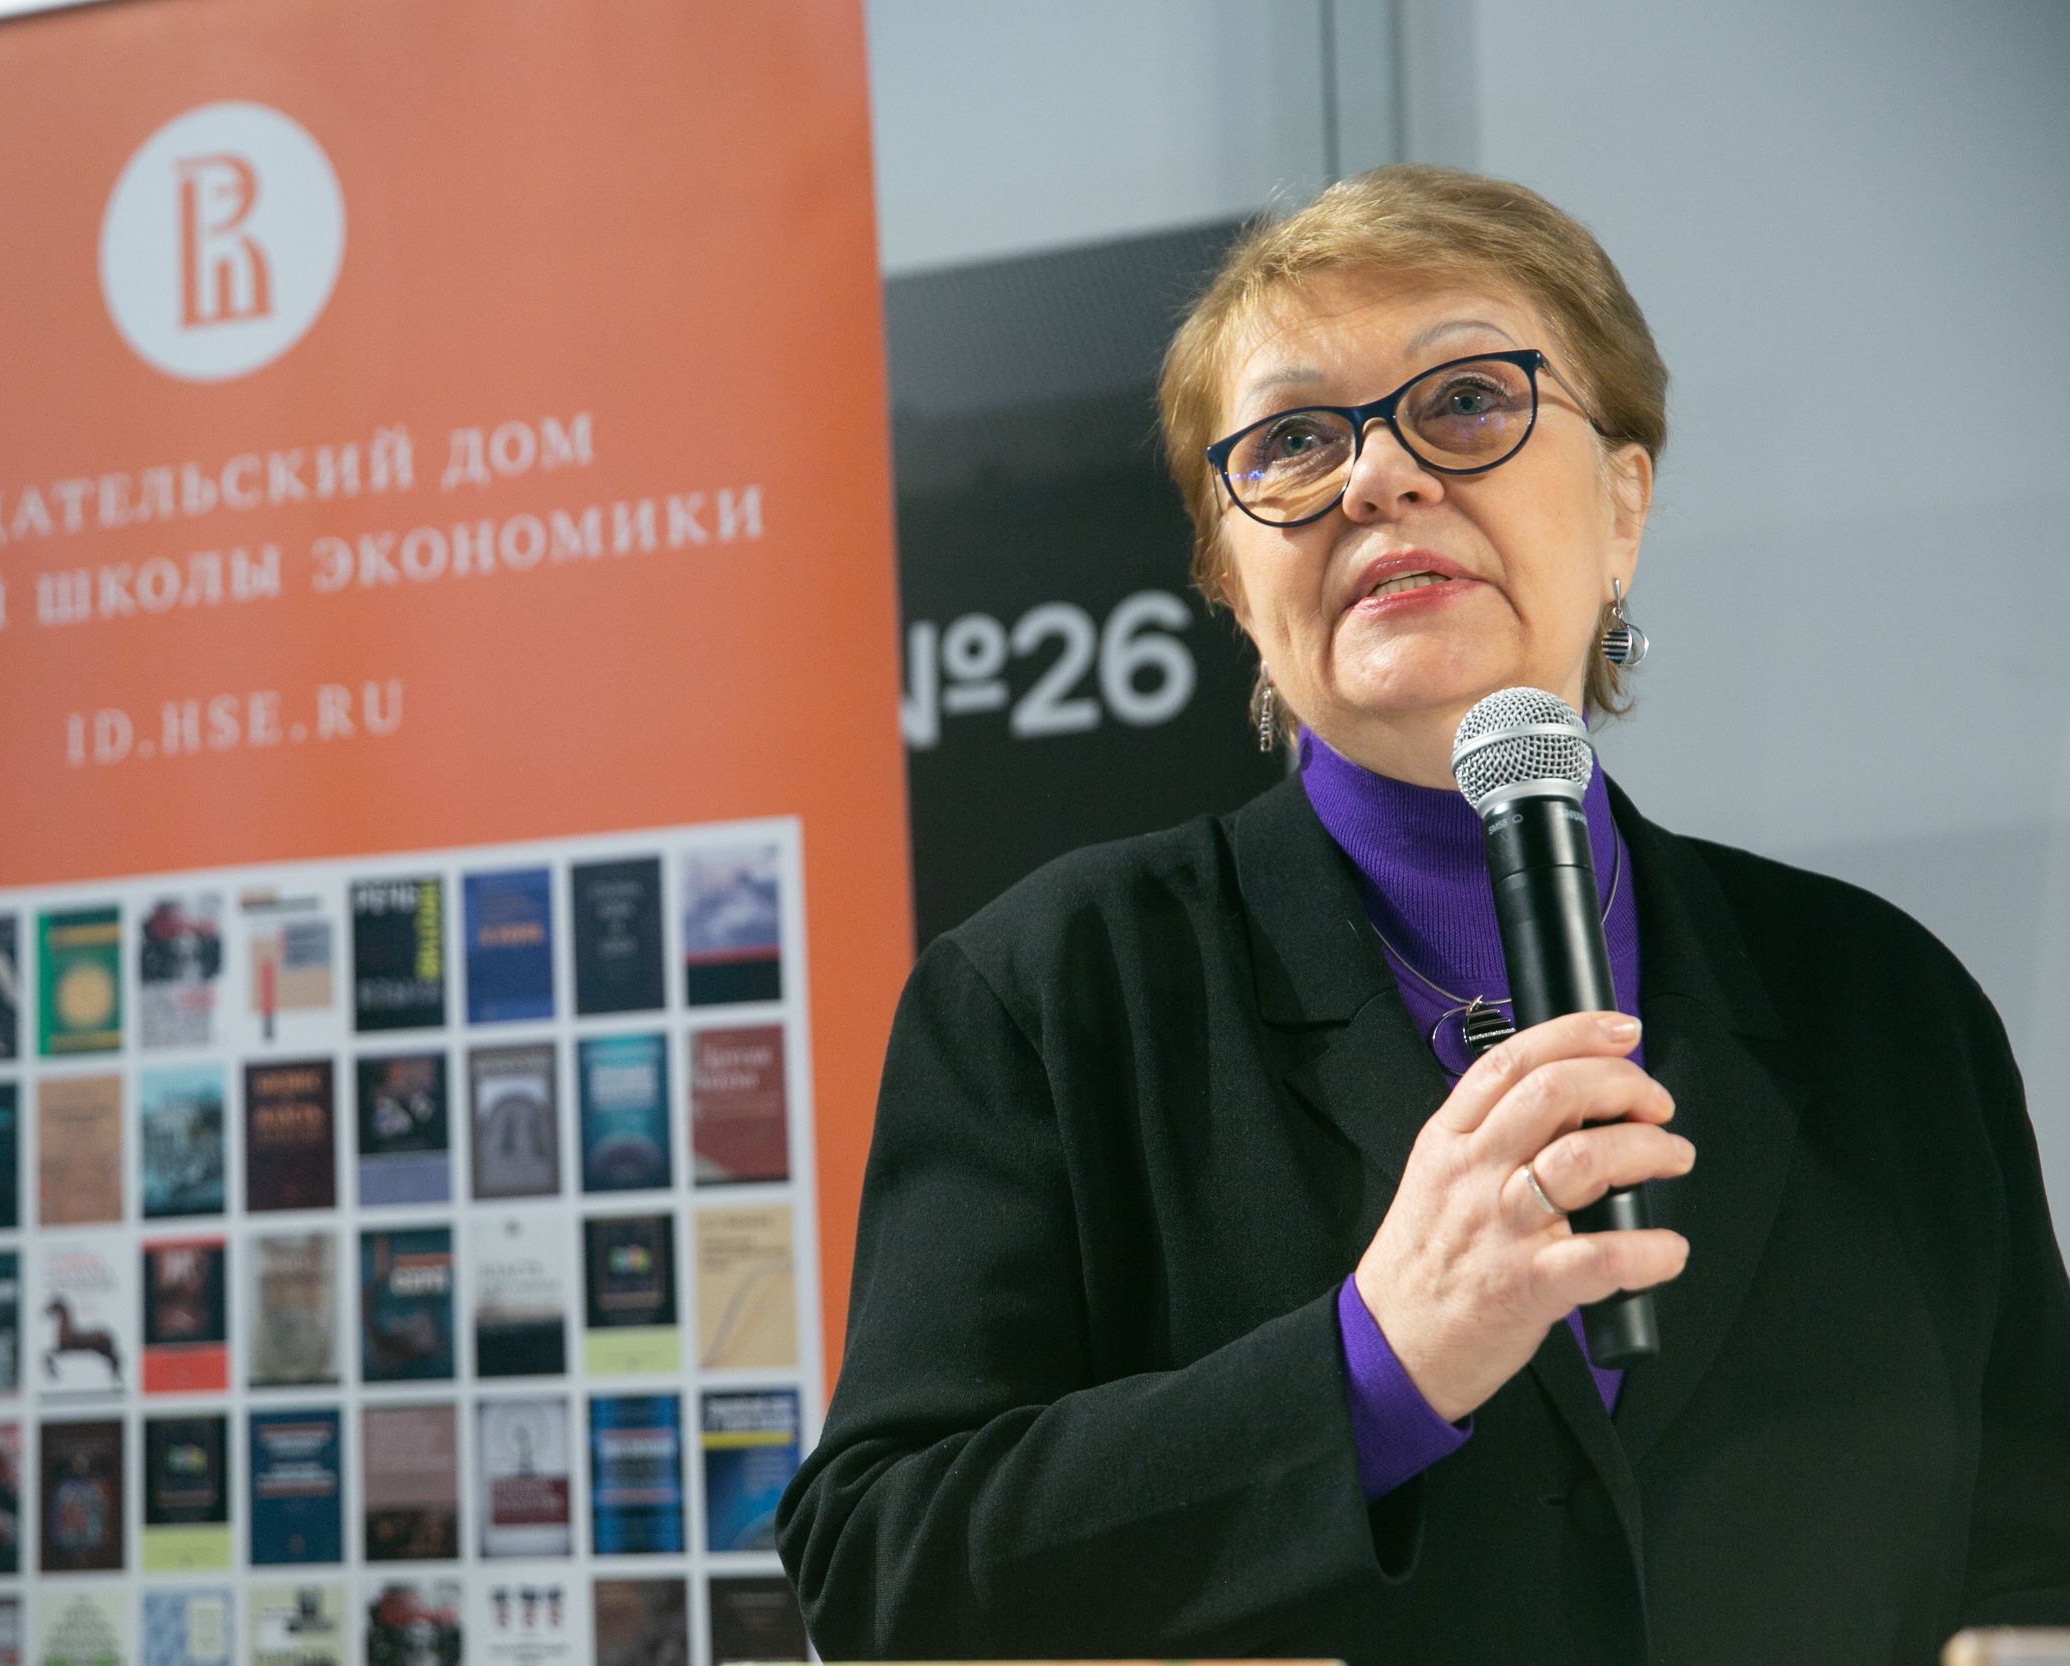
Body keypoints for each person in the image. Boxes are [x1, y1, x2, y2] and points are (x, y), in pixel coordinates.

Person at [777, 165, 2070, 1665]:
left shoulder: (1886, 1001)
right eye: (1294, 440)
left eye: (1466, 402)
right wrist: (1372, 1365)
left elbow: (2032, 1556)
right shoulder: (1049, 992)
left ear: (1625, 503)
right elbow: (880, 1573)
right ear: (1231, 579)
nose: (1378, 477)